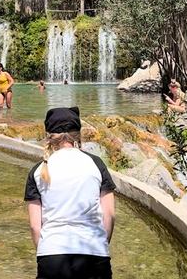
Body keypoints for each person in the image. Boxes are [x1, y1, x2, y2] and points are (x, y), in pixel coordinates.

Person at [24, 107, 116, 279]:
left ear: (49, 136)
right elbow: (109, 216)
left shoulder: (38, 170)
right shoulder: (96, 164)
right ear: (78, 134)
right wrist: (101, 244)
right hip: (93, 252)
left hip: (51, 255)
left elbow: (34, 226)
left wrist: (45, 250)